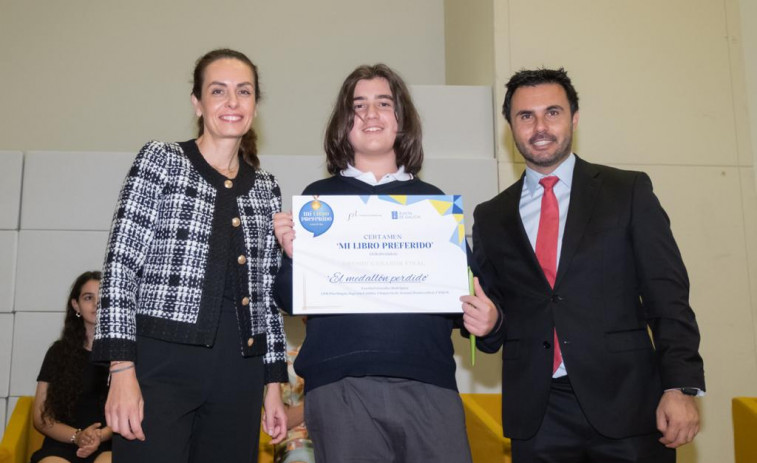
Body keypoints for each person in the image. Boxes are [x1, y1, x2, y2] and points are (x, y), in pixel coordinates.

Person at [461, 67, 706, 462]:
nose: (540, 126)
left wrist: (680, 387)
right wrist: (489, 325)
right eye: (526, 116)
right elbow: (495, 319)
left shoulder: (627, 192)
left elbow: (668, 295)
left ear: (574, 119)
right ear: (511, 127)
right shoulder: (491, 216)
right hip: (538, 417)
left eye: (552, 112)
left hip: (628, 405)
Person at [273, 64, 481, 463]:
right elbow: (287, 298)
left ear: (400, 121)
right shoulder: (317, 200)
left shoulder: (432, 204)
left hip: (429, 383)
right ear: (343, 124)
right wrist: (292, 254)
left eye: (383, 103)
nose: (371, 114)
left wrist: (489, 319)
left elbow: (468, 299)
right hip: (340, 388)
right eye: (359, 105)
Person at [91, 48, 287, 462]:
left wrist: (273, 386)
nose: (232, 102)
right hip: (161, 366)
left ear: (255, 104)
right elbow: (121, 267)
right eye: (218, 91)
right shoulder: (160, 160)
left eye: (244, 91)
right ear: (198, 103)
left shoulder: (267, 187)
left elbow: (267, 297)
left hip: (240, 372)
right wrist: (121, 370)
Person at [31, 271, 112, 463]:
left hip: (108, 444)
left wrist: (99, 436)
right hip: (62, 443)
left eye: (103, 298)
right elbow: (41, 417)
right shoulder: (58, 353)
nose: (96, 304)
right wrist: (78, 436)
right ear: (76, 305)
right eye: (88, 297)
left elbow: (132, 410)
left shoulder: (124, 356)